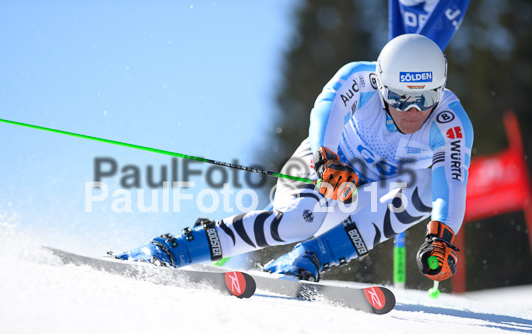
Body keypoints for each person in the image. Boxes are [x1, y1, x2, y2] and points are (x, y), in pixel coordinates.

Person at [116, 33, 473, 283]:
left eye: (424, 99)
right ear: (381, 86)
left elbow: (452, 184)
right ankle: (173, 249)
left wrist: (442, 237)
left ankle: (312, 256)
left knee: (427, 185)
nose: (411, 111)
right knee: (299, 221)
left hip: (367, 198)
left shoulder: (451, 123)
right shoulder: (360, 79)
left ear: (440, 90)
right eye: (398, 97)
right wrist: (326, 158)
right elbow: (327, 107)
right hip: (325, 173)